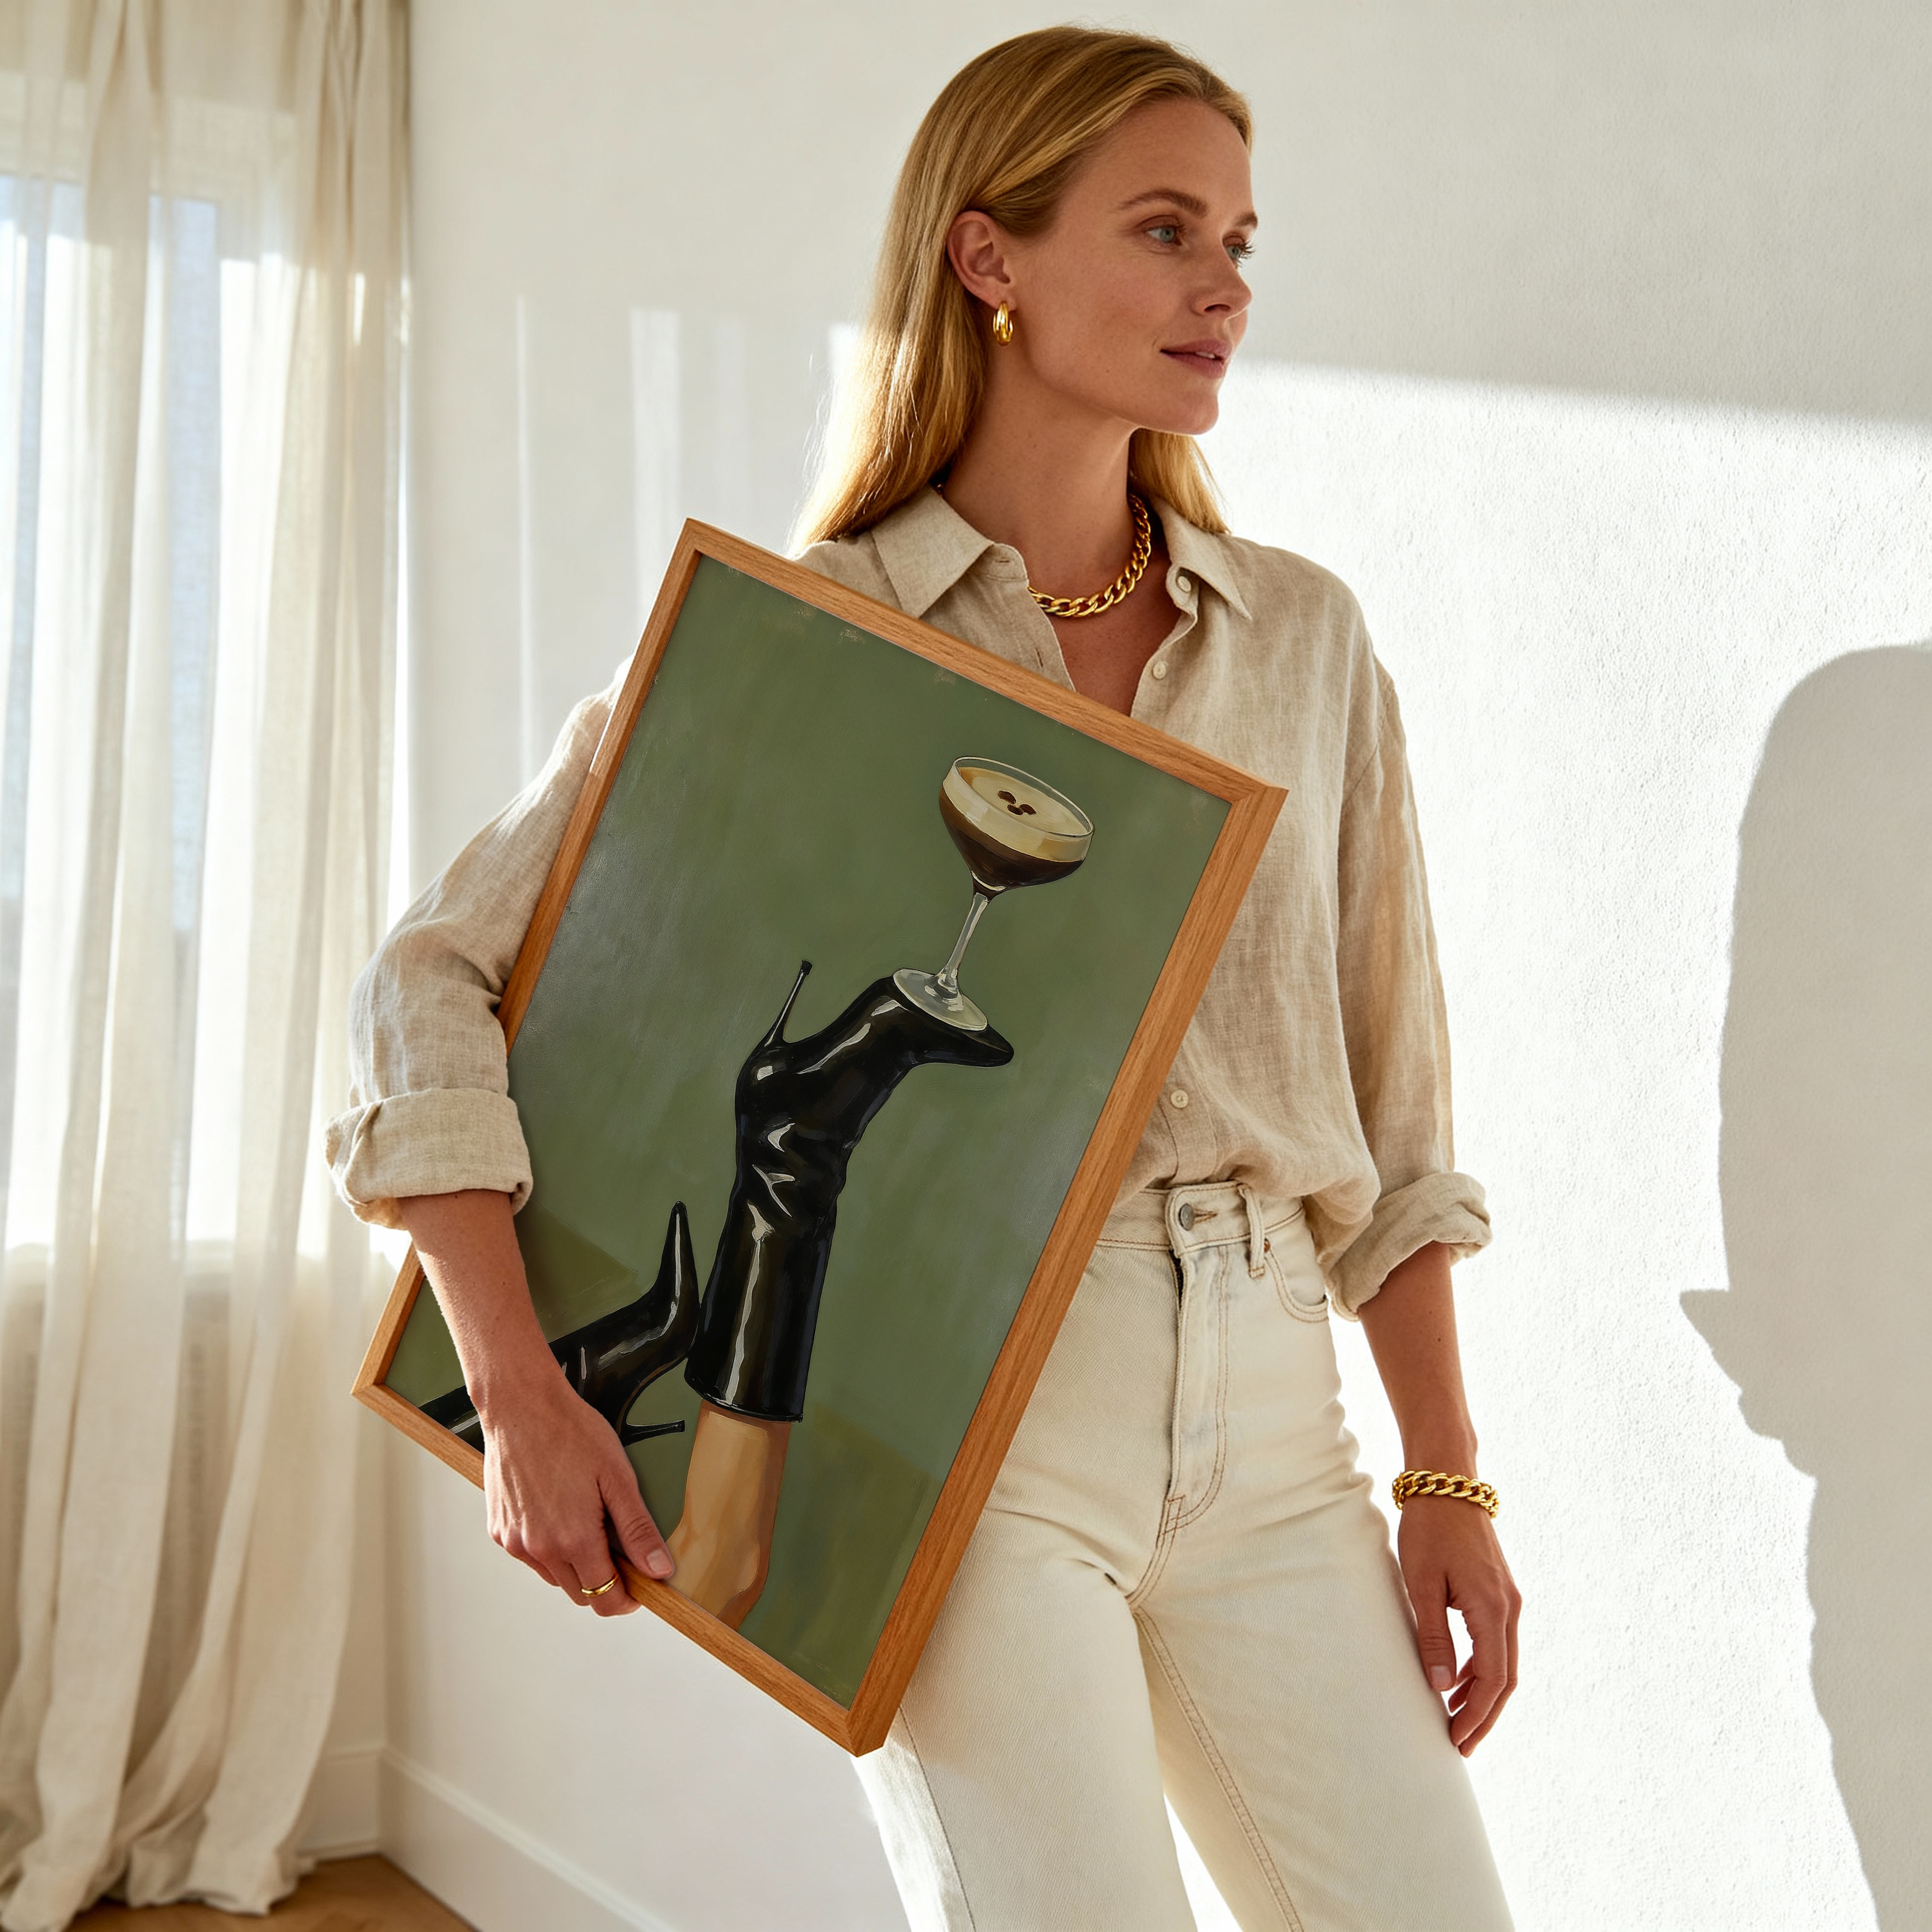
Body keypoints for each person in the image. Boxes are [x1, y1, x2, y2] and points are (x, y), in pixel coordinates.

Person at [327, 26, 1520, 1930]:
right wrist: (521, 1387)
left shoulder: (1303, 637)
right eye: (1160, 228)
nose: (1223, 283)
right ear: (989, 261)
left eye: (1239, 236)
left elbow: (1397, 1106)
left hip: (1279, 1418)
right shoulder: (812, 638)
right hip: (967, 1417)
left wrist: (1446, 1485)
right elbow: (427, 982)